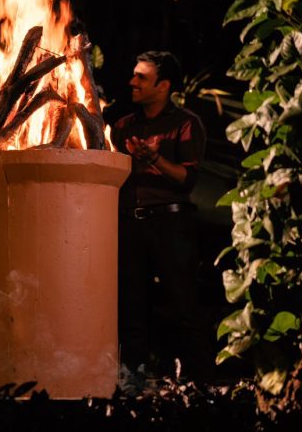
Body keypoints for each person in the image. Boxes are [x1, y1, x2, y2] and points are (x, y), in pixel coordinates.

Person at [109, 51, 211, 386]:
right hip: (130, 224)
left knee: (183, 304)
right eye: (134, 75)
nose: (132, 82)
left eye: (142, 77)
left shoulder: (185, 123)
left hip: (170, 224)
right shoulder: (123, 127)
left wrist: (154, 159)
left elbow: (187, 179)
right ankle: (133, 384)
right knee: (130, 306)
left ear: (163, 86)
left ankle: (200, 384)